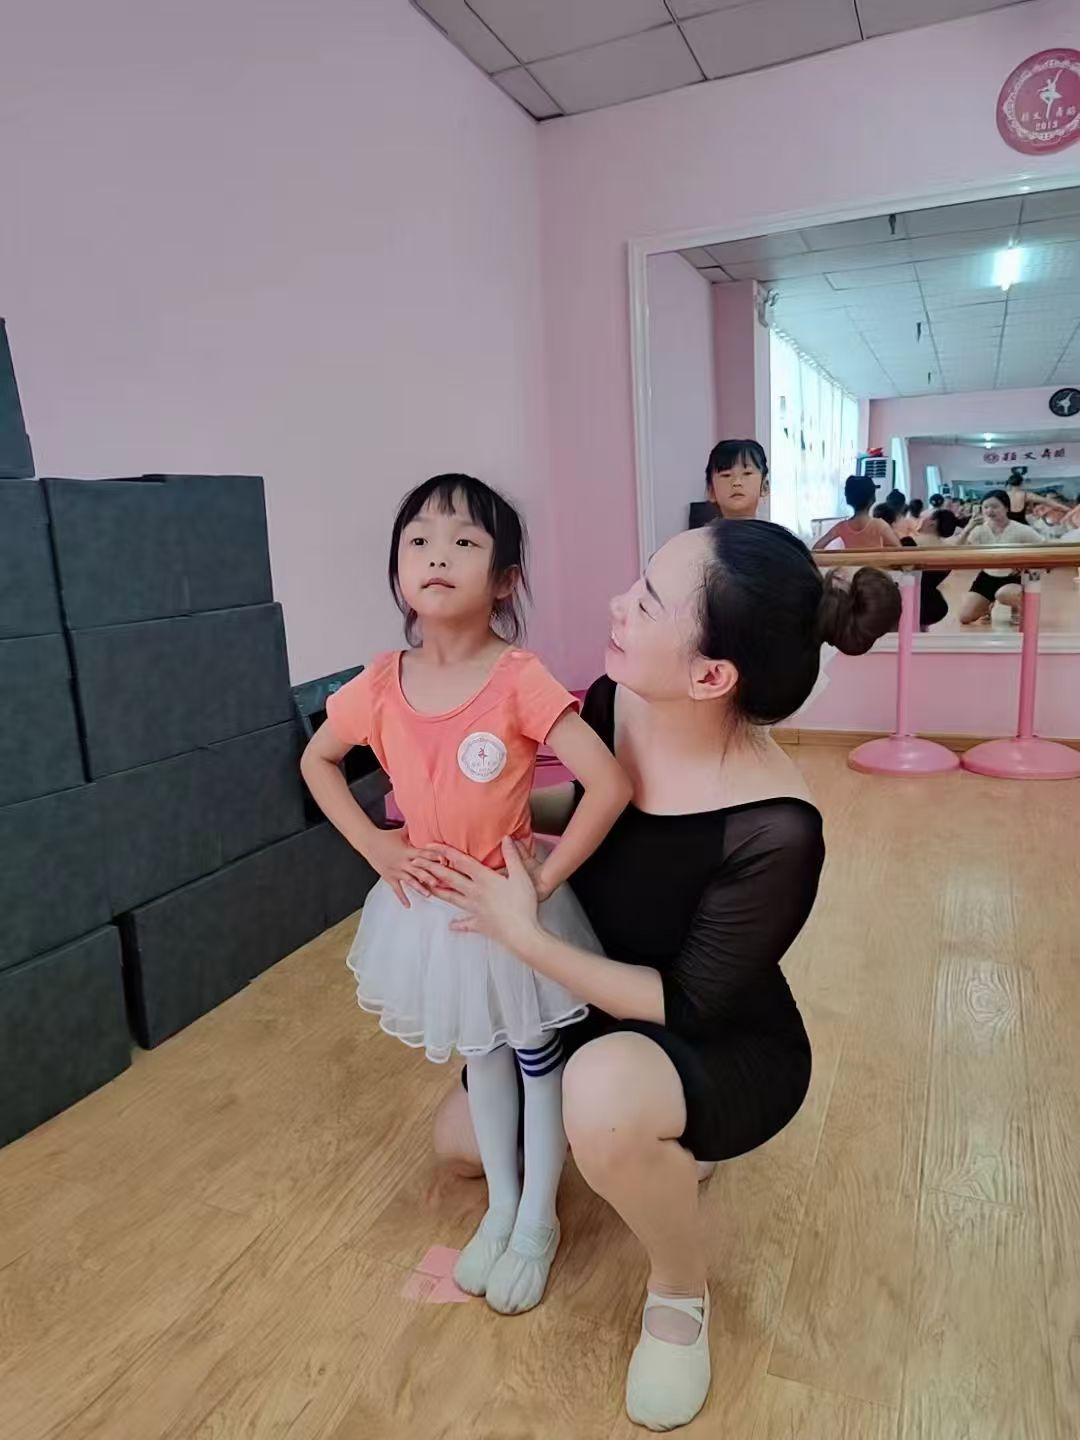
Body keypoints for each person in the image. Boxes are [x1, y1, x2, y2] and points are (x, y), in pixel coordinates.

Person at [424, 520, 900, 1431]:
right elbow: (598, 811)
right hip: (591, 980)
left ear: (712, 676)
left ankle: (680, 1291)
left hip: (712, 1033)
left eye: (646, 602)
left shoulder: (777, 829)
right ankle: (642, 1146)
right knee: (461, 1146)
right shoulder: (619, 698)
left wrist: (524, 935)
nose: (617, 604)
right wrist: (488, 810)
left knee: (602, 1100)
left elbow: (685, 1001)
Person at [301, 474, 631, 1317]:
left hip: (507, 908)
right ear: (397, 569)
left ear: (506, 579)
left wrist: (544, 882)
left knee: (536, 1058)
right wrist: (377, 845)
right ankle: (502, 1208)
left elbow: (609, 785)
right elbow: (317, 760)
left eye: (464, 541)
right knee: (484, 1055)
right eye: (418, 539)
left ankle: (538, 1222)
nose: (436, 554)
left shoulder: (518, 677)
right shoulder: (381, 682)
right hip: (432, 915)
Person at [957, 488, 1043, 626]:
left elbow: (1043, 547)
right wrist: (968, 527)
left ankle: (1017, 607)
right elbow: (957, 549)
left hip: (1013, 577)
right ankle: (987, 606)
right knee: (965, 617)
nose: (990, 511)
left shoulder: (1021, 529)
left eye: (995, 507)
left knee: (1003, 594)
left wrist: (1026, 565)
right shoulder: (979, 529)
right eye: (986, 507)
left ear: (1006, 508)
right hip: (986, 577)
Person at [812, 475, 901, 551]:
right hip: (875, 566)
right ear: (873, 499)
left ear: (848, 499)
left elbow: (816, 548)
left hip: (851, 566)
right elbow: (899, 549)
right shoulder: (879, 525)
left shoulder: (842, 527)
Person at [914, 508, 960, 629]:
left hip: (907, 600)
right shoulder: (949, 551)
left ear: (932, 523)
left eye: (925, 518)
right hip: (934, 604)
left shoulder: (910, 543)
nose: (921, 520)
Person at [704, 439, 769, 520]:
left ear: (764, 487)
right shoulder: (703, 529)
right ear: (711, 491)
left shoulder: (775, 529)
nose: (736, 482)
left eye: (747, 473)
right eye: (726, 475)